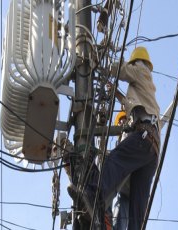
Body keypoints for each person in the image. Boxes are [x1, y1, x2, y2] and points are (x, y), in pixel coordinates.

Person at [68, 46, 160, 230]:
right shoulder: (145, 88)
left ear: (137, 62)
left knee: (115, 160)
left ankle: (92, 194)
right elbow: (130, 103)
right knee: (137, 206)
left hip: (143, 136)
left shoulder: (140, 69)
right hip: (153, 149)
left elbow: (122, 70)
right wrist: (116, 92)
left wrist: (102, 63)